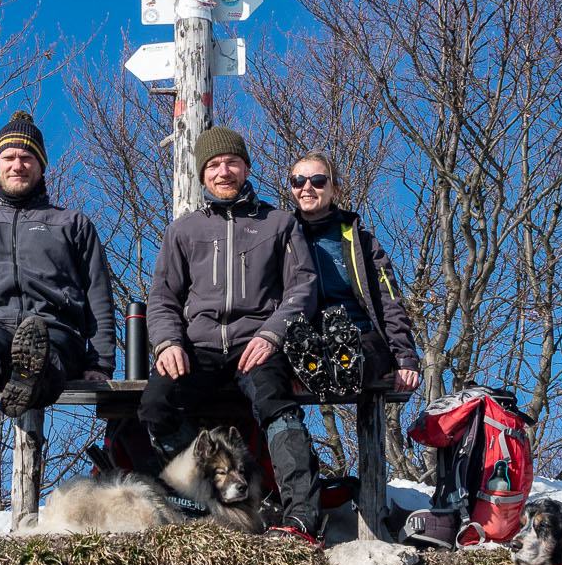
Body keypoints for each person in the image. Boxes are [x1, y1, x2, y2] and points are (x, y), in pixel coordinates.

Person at [141, 126, 326, 543]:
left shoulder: (278, 224)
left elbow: (303, 288)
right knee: (155, 405)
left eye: (231, 163)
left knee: (278, 407)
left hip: (256, 345)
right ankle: (197, 500)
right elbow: (162, 298)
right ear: (202, 175)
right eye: (213, 165)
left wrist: (272, 335)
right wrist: (168, 342)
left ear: (246, 168)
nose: (223, 171)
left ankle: (299, 520)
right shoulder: (183, 231)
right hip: (198, 349)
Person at [0, 111, 116, 420]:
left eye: (27, 157)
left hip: (56, 329)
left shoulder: (71, 224)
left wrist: (99, 363)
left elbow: (98, 296)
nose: (17, 165)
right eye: (9, 157)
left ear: (41, 165)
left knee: (46, 357)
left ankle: (31, 378)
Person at [283, 151, 421, 394]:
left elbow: (388, 300)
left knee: (358, 357)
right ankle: (310, 364)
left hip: (361, 335)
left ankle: (339, 361)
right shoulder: (281, 241)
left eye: (318, 181)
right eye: (298, 181)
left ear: (334, 189)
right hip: (305, 340)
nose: (307, 188)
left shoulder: (361, 242)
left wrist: (405, 357)